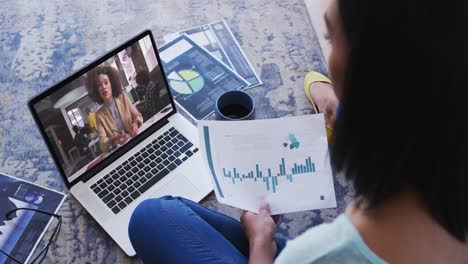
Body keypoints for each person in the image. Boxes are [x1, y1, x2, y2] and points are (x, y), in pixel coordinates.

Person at [128, 0, 467, 263]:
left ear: (369, 73)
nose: (328, 56)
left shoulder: (320, 253)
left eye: (331, 38)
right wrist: (335, 99)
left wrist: (262, 247)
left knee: (149, 218)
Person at [86, 66, 143, 153]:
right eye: (99, 85)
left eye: (106, 82)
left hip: (137, 141)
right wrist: (114, 141)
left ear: (112, 83)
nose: (104, 87)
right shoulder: (99, 116)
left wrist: (135, 123)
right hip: (121, 151)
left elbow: (137, 115)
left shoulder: (123, 97)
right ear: (96, 90)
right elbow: (102, 145)